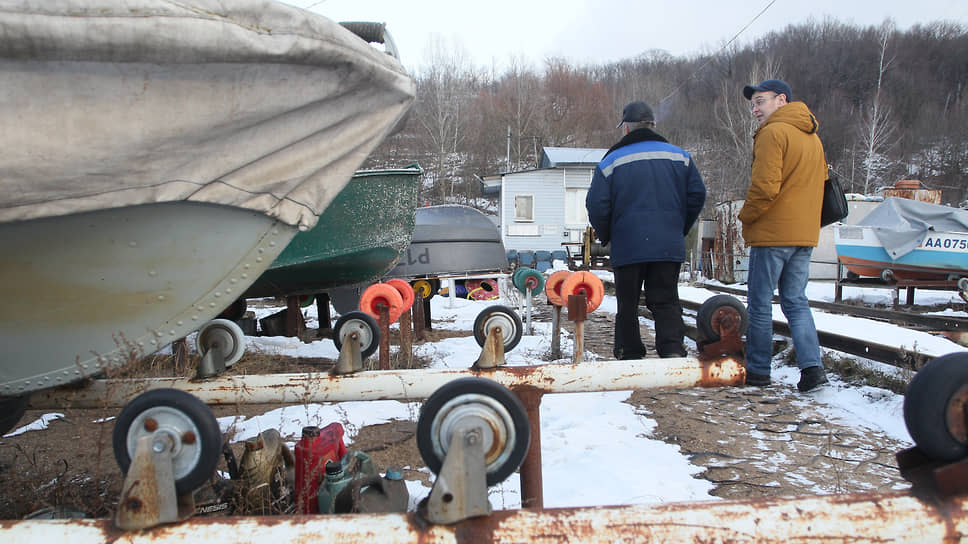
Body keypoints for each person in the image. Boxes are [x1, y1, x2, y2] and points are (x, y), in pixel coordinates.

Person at [586, 101, 706, 359]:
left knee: (627, 303)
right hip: (667, 244)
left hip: (628, 245)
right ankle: (672, 348)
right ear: (652, 125)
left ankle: (629, 350)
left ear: (626, 129)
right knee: (665, 299)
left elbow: (596, 205)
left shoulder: (611, 161)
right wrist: (679, 228)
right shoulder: (680, 157)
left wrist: (607, 234)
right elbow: (697, 194)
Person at [739, 79, 829, 392]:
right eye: (754, 103)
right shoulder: (812, 137)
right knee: (796, 302)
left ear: (781, 100)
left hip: (773, 233)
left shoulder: (773, 133)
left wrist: (745, 217)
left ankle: (759, 372)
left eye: (761, 101)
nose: (755, 109)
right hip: (804, 234)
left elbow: (765, 187)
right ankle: (813, 370)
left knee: (760, 304)